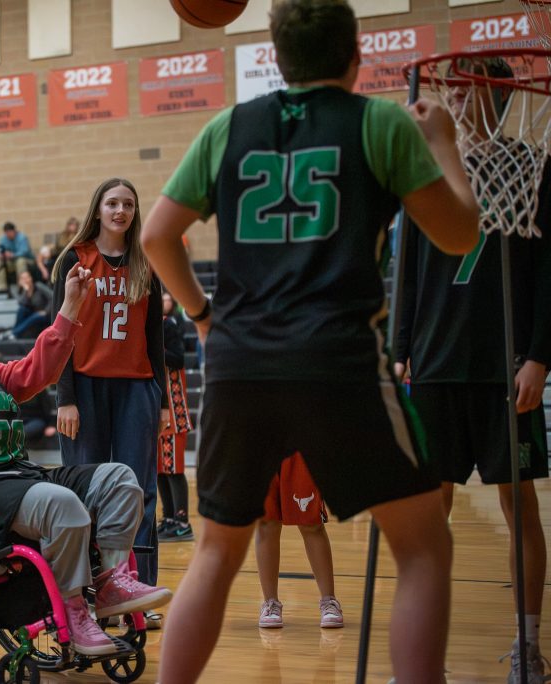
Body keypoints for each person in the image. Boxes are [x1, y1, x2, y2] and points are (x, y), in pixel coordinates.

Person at [139, 0, 480, 681]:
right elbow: (460, 233)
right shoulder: (379, 121)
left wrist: (205, 319)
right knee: (422, 549)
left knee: (214, 554)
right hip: (339, 359)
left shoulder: (227, 126)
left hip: (240, 363)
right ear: (356, 58)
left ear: (276, 55)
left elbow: (155, 237)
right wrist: (443, 141)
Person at [0, 276, 172, 656]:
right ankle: (74, 613)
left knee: (120, 480)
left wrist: (70, 308)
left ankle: (111, 583)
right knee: (61, 503)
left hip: (18, 481)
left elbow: (38, 372)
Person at [396, 56, 551, 683]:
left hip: (503, 366)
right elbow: (406, 268)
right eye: (453, 89)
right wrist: (400, 343)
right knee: (427, 514)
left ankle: (528, 643)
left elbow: (548, 274)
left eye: (470, 89)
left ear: (499, 95)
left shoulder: (531, 168)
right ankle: (420, 649)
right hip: (432, 366)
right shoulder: (425, 173)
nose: (458, 99)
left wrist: (539, 354)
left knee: (519, 506)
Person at [51, 178, 169, 592]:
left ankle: (140, 587)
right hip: (84, 388)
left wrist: (165, 401)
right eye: (113, 203)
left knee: (140, 491)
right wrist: (65, 398)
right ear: (97, 209)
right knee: (85, 489)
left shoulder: (145, 262)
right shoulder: (75, 260)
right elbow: (59, 334)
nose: (121, 211)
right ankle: (88, 589)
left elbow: (155, 339)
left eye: (129, 205)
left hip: (137, 388)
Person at [255, 452, 343, 630]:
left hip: (300, 443)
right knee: (266, 523)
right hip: (260, 441)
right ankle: (270, 603)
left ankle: (329, 601)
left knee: (311, 523)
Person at [156, 291, 193, 543]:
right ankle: (169, 517)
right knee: (160, 469)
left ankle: (182, 522)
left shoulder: (168, 325)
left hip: (174, 409)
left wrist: (155, 350)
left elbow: (179, 359)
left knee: (174, 468)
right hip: (158, 410)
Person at [0, 221, 35, 294]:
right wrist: (1, 255)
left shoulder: (22, 238)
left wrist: (12, 255)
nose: (8, 235)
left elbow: (24, 252)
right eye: (6, 233)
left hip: (27, 260)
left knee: (20, 261)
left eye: (9, 232)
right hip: (12, 261)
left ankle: (22, 286)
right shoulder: (3, 239)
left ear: (14, 231)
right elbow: (0, 250)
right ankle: (2, 287)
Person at [11, 270, 54, 339]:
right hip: (33, 313)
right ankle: (14, 333)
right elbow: (22, 304)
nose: (25, 280)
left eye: (27, 277)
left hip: (46, 315)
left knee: (35, 316)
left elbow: (52, 297)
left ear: (31, 278)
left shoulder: (38, 286)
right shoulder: (22, 290)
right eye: (23, 279)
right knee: (21, 310)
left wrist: (46, 311)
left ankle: (13, 333)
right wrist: (26, 291)